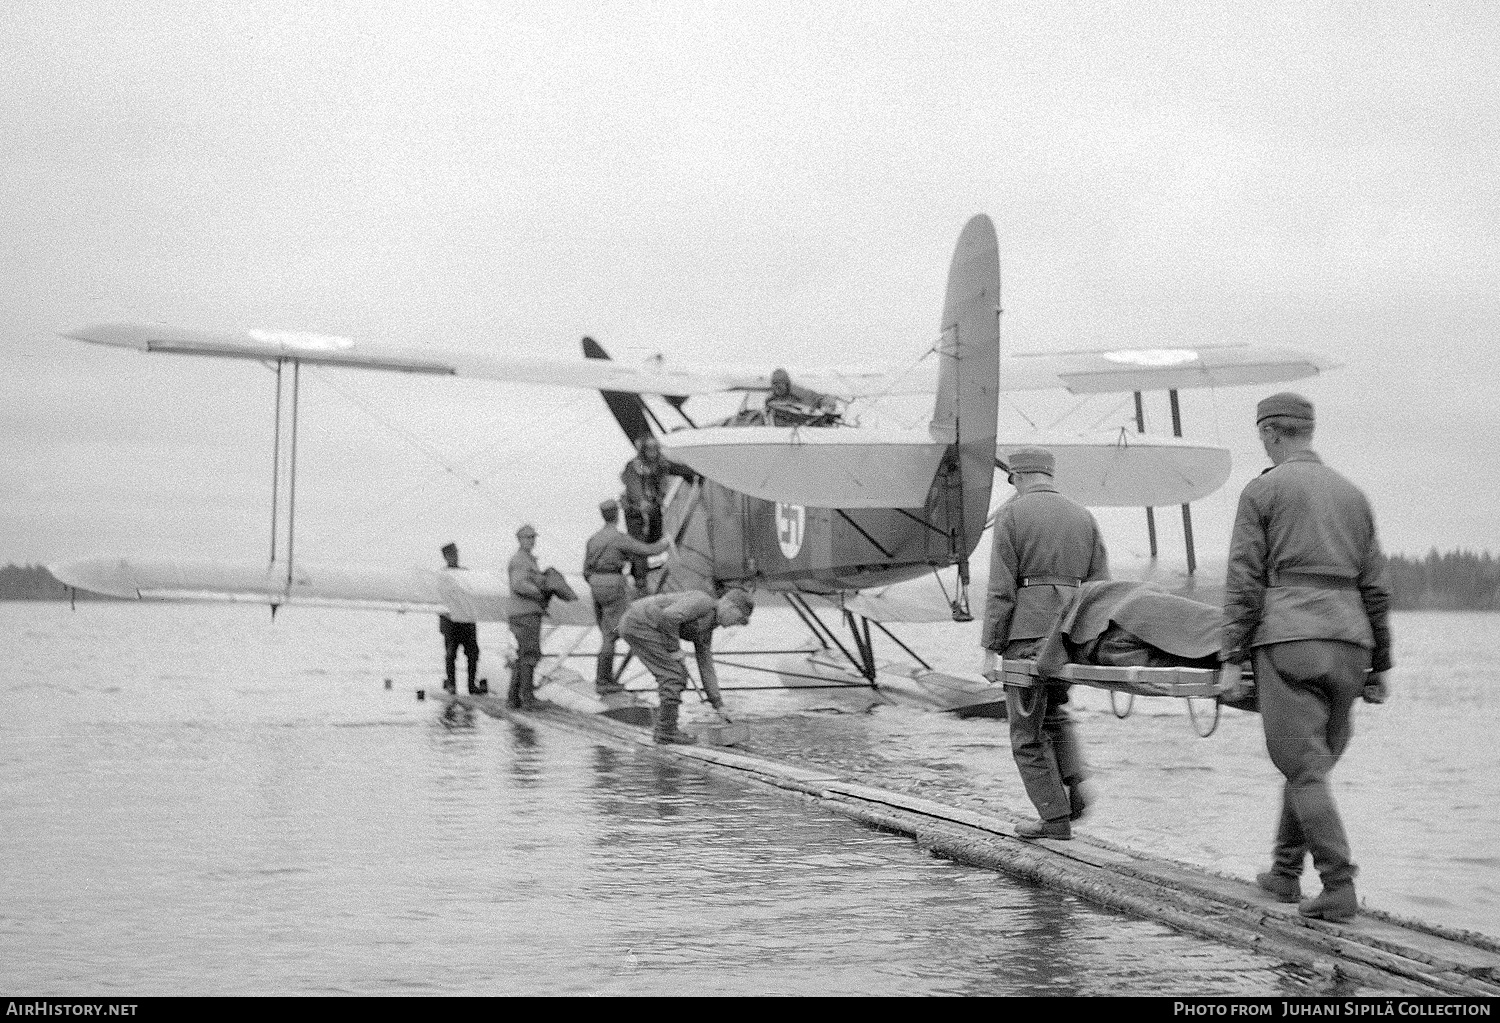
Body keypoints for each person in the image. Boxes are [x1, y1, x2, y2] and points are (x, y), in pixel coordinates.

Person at [1222, 392, 1392, 923]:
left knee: (1302, 768)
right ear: (1308, 432)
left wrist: (1231, 655)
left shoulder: (1263, 490)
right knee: (1310, 766)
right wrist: (1380, 665)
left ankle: (1339, 885)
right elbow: (1378, 588)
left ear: (1269, 434)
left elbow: (1245, 580)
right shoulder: (1353, 495)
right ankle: (1284, 873)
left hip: (1290, 639)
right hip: (1351, 643)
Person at [980, 447, 1109, 840]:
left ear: (1017, 478)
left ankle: (1054, 819)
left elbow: (1001, 588)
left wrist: (990, 649)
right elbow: (1101, 586)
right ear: (1049, 476)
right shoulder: (1083, 516)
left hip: (1028, 634)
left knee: (1026, 732)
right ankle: (1077, 781)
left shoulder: (1012, 515)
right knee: (1055, 712)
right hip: (1070, 634)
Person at [618, 588, 754, 745]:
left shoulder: (708, 628)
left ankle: (665, 730)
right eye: (738, 619)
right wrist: (674, 649)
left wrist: (718, 705)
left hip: (646, 625)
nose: (733, 625)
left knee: (677, 676)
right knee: (672, 676)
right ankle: (666, 732)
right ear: (730, 606)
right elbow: (669, 616)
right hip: (640, 622)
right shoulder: (703, 602)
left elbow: (706, 665)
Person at [584, 498, 670, 696]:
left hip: (596, 585)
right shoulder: (619, 538)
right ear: (617, 514)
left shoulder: (593, 539)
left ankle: (603, 679)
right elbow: (648, 550)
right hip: (613, 584)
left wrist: (598, 584)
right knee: (612, 635)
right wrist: (665, 542)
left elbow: (585, 571)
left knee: (606, 633)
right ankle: (604, 681)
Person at [619, 435, 696, 586]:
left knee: (654, 540)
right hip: (637, 513)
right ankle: (640, 580)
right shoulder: (636, 465)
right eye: (649, 449)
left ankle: (646, 572)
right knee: (639, 544)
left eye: (655, 449)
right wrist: (642, 502)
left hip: (653, 510)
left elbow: (676, 468)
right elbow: (634, 486)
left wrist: (693, 472)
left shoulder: (659, 464)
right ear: (643, 450)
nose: (653, 452)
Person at [507, 524, 547, 711]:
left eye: (533, 537)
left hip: (523, 612)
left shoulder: (526, 560)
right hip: (525, 613)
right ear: (520, 540)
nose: (532, 541)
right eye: (528, 537)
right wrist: (540, 592)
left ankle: (514, 698)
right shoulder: (521, 561)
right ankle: (527, 697)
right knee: (530, 654)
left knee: (524, 654)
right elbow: (519, 584)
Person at [437, 542, 482, 695]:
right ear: (445, 557)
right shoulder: (442, 576)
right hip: (450, 622)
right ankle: (451, 685)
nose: (454, 557)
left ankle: (471, 685)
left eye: (455, 553)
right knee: (451, 655)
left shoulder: (466, 574)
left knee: (473, 654)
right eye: (451, 554)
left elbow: (473, 594)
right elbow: (438, 599)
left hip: (467, 621)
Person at [763, 367, 838, 427]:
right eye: (774, 384)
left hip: (807, 431)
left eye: (780, 383)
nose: (777, 387)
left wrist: (828, 404)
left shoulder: (800, 393)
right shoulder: (770, 400)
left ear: (787, 383)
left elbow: (822, 399)